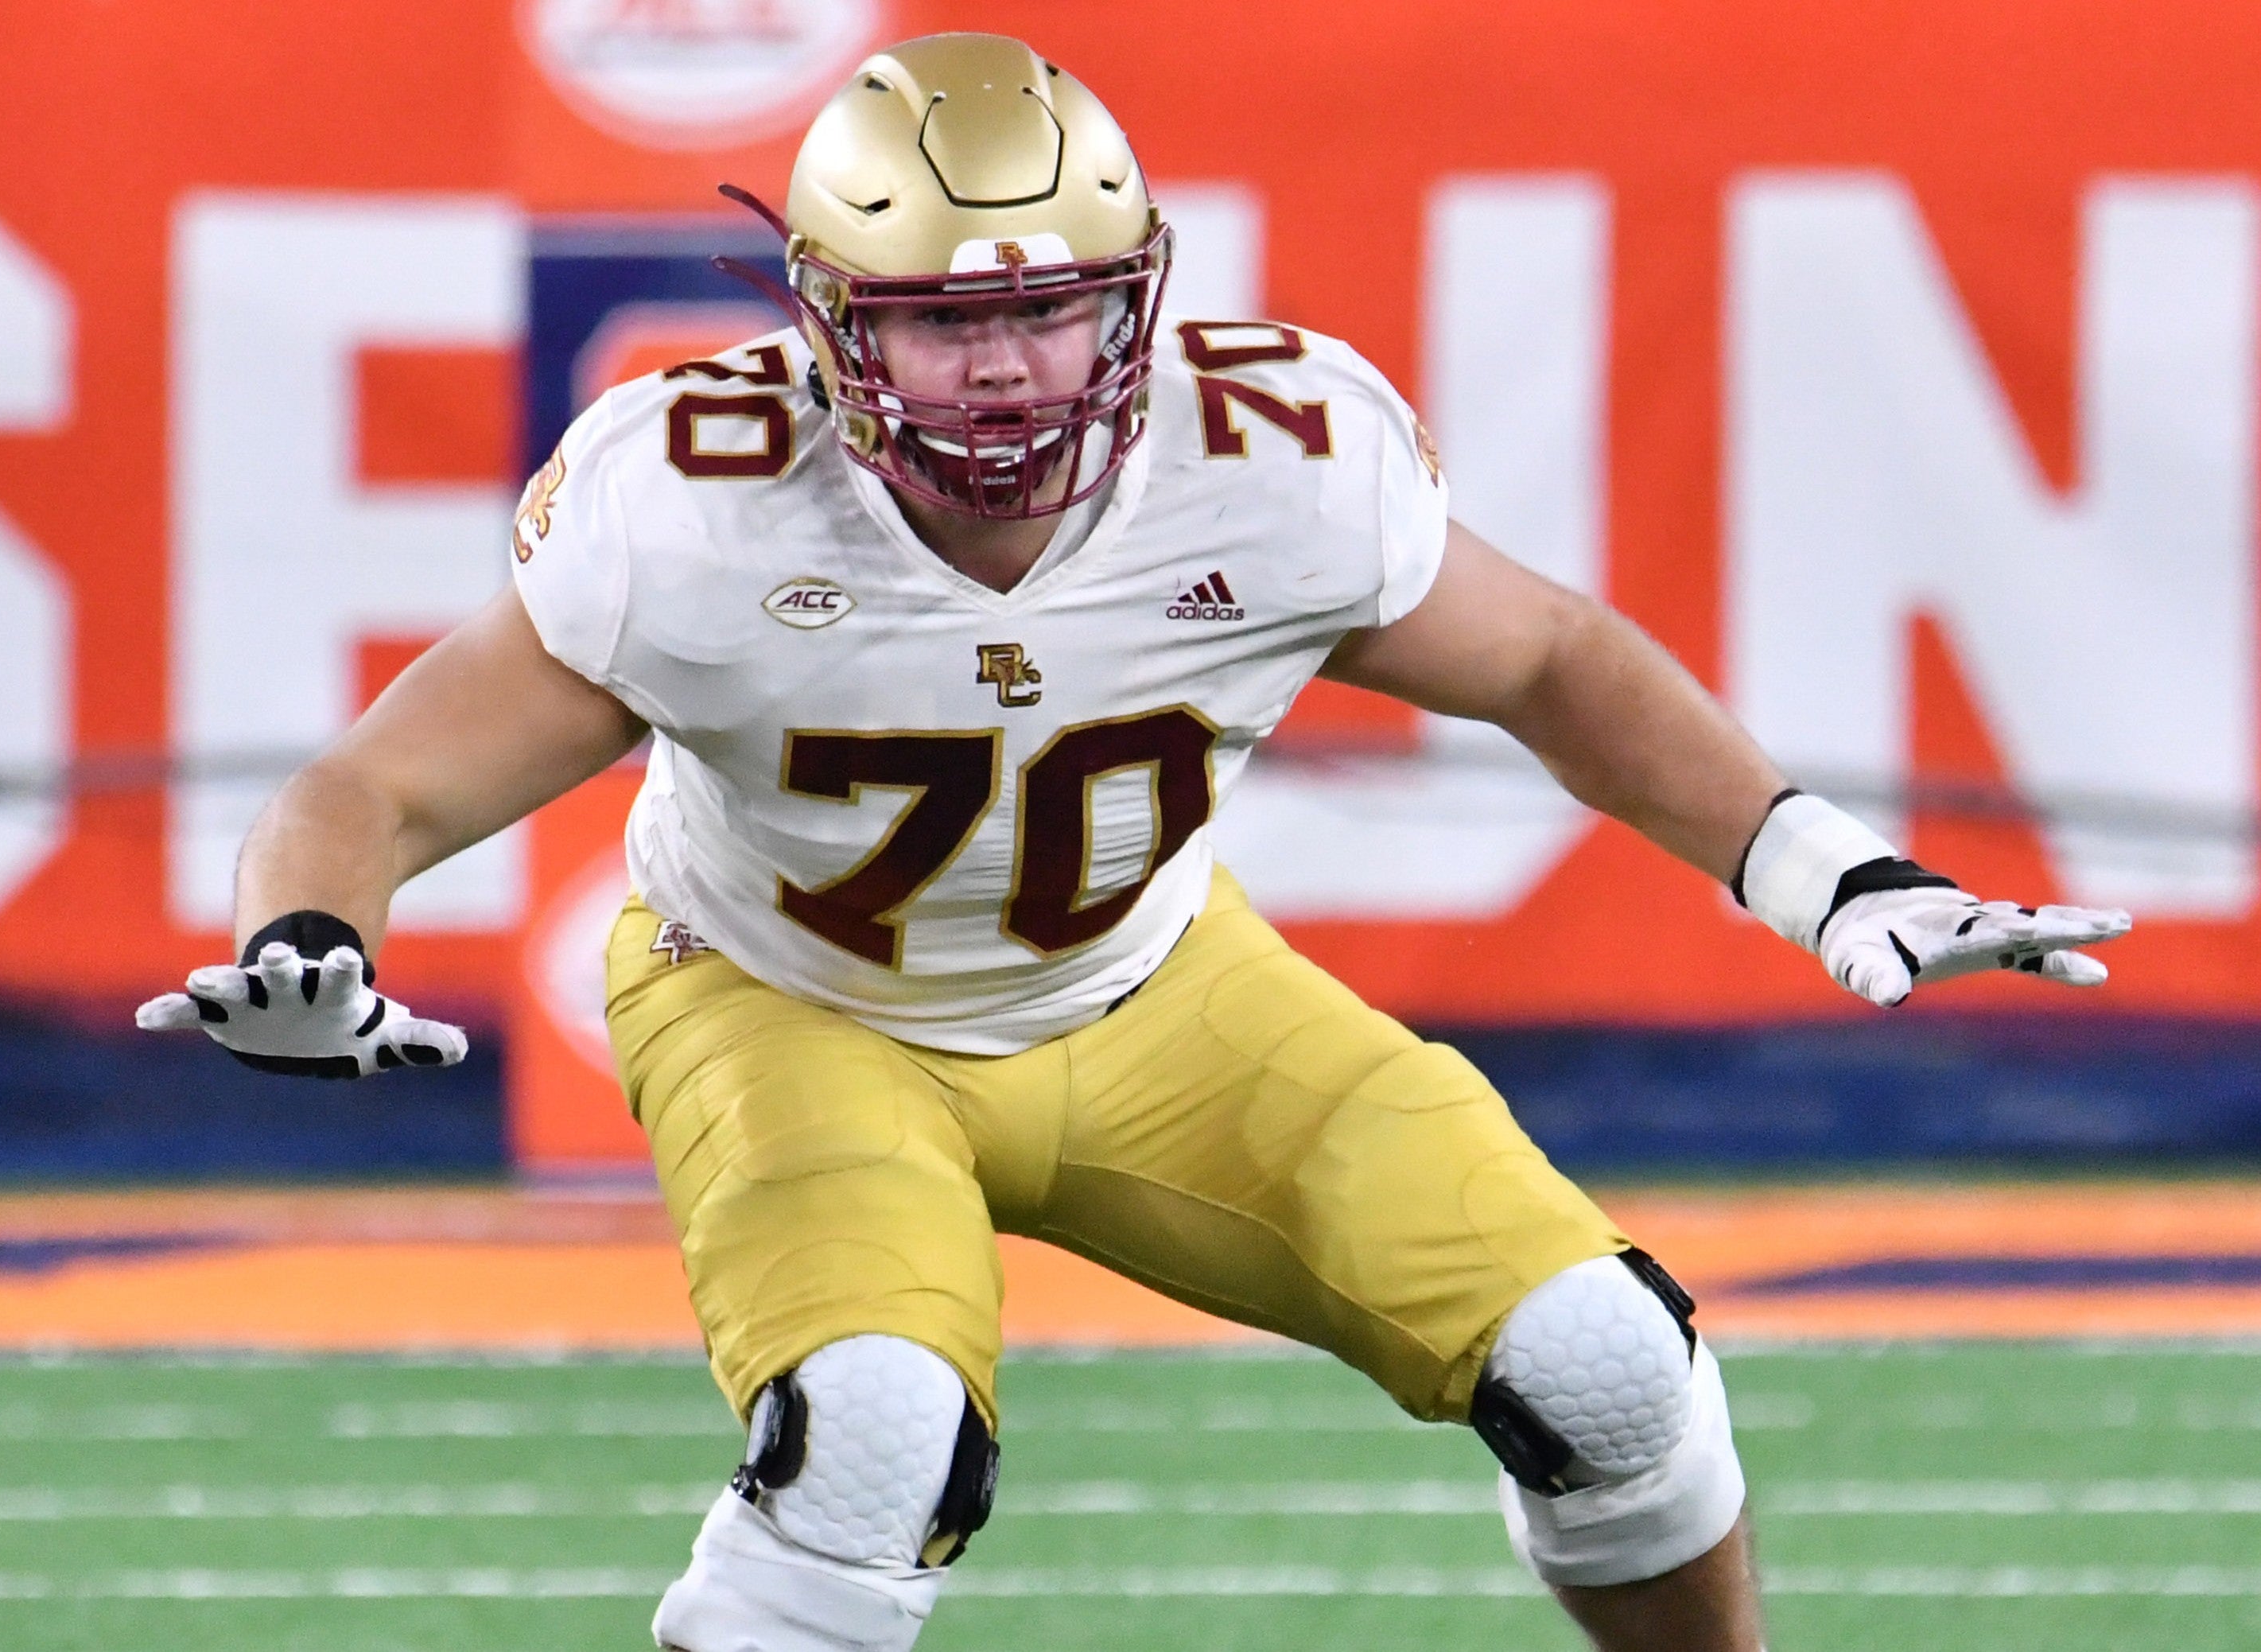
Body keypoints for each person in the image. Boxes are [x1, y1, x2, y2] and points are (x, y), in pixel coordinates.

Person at [137, 32, 2131, 1652]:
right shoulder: (697, 506)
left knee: (1612, 1367)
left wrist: (1823, 868)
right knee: (870, 1446)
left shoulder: (1273, 466)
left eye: (1050, 311)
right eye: (938, 325)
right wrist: (310, 932)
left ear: (1142, 296)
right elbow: (376, 786)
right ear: (826, 323)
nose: (1002, 371)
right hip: (788, 1003)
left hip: (1157, 987)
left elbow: (1552, 657)